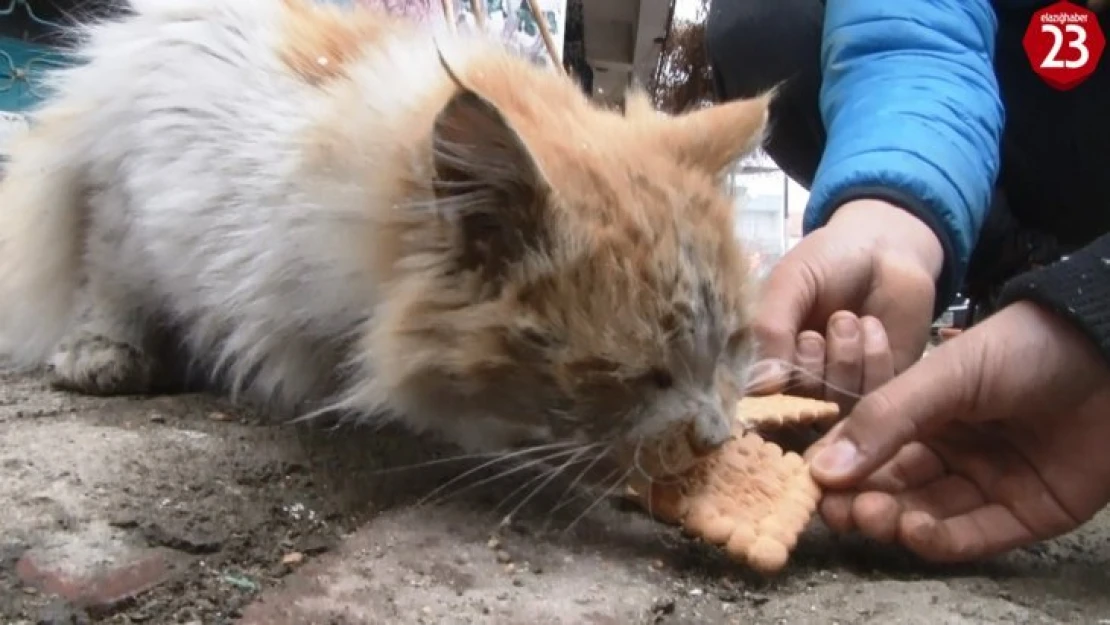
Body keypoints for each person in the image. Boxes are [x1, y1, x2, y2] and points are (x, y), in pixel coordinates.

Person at [705, 0, 1110, 562]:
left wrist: (1093, 309)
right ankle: (1006, 263)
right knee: (770, 21)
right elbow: (917, 27)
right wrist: (892, 216)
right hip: (1021, 83)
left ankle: (1064, 264)